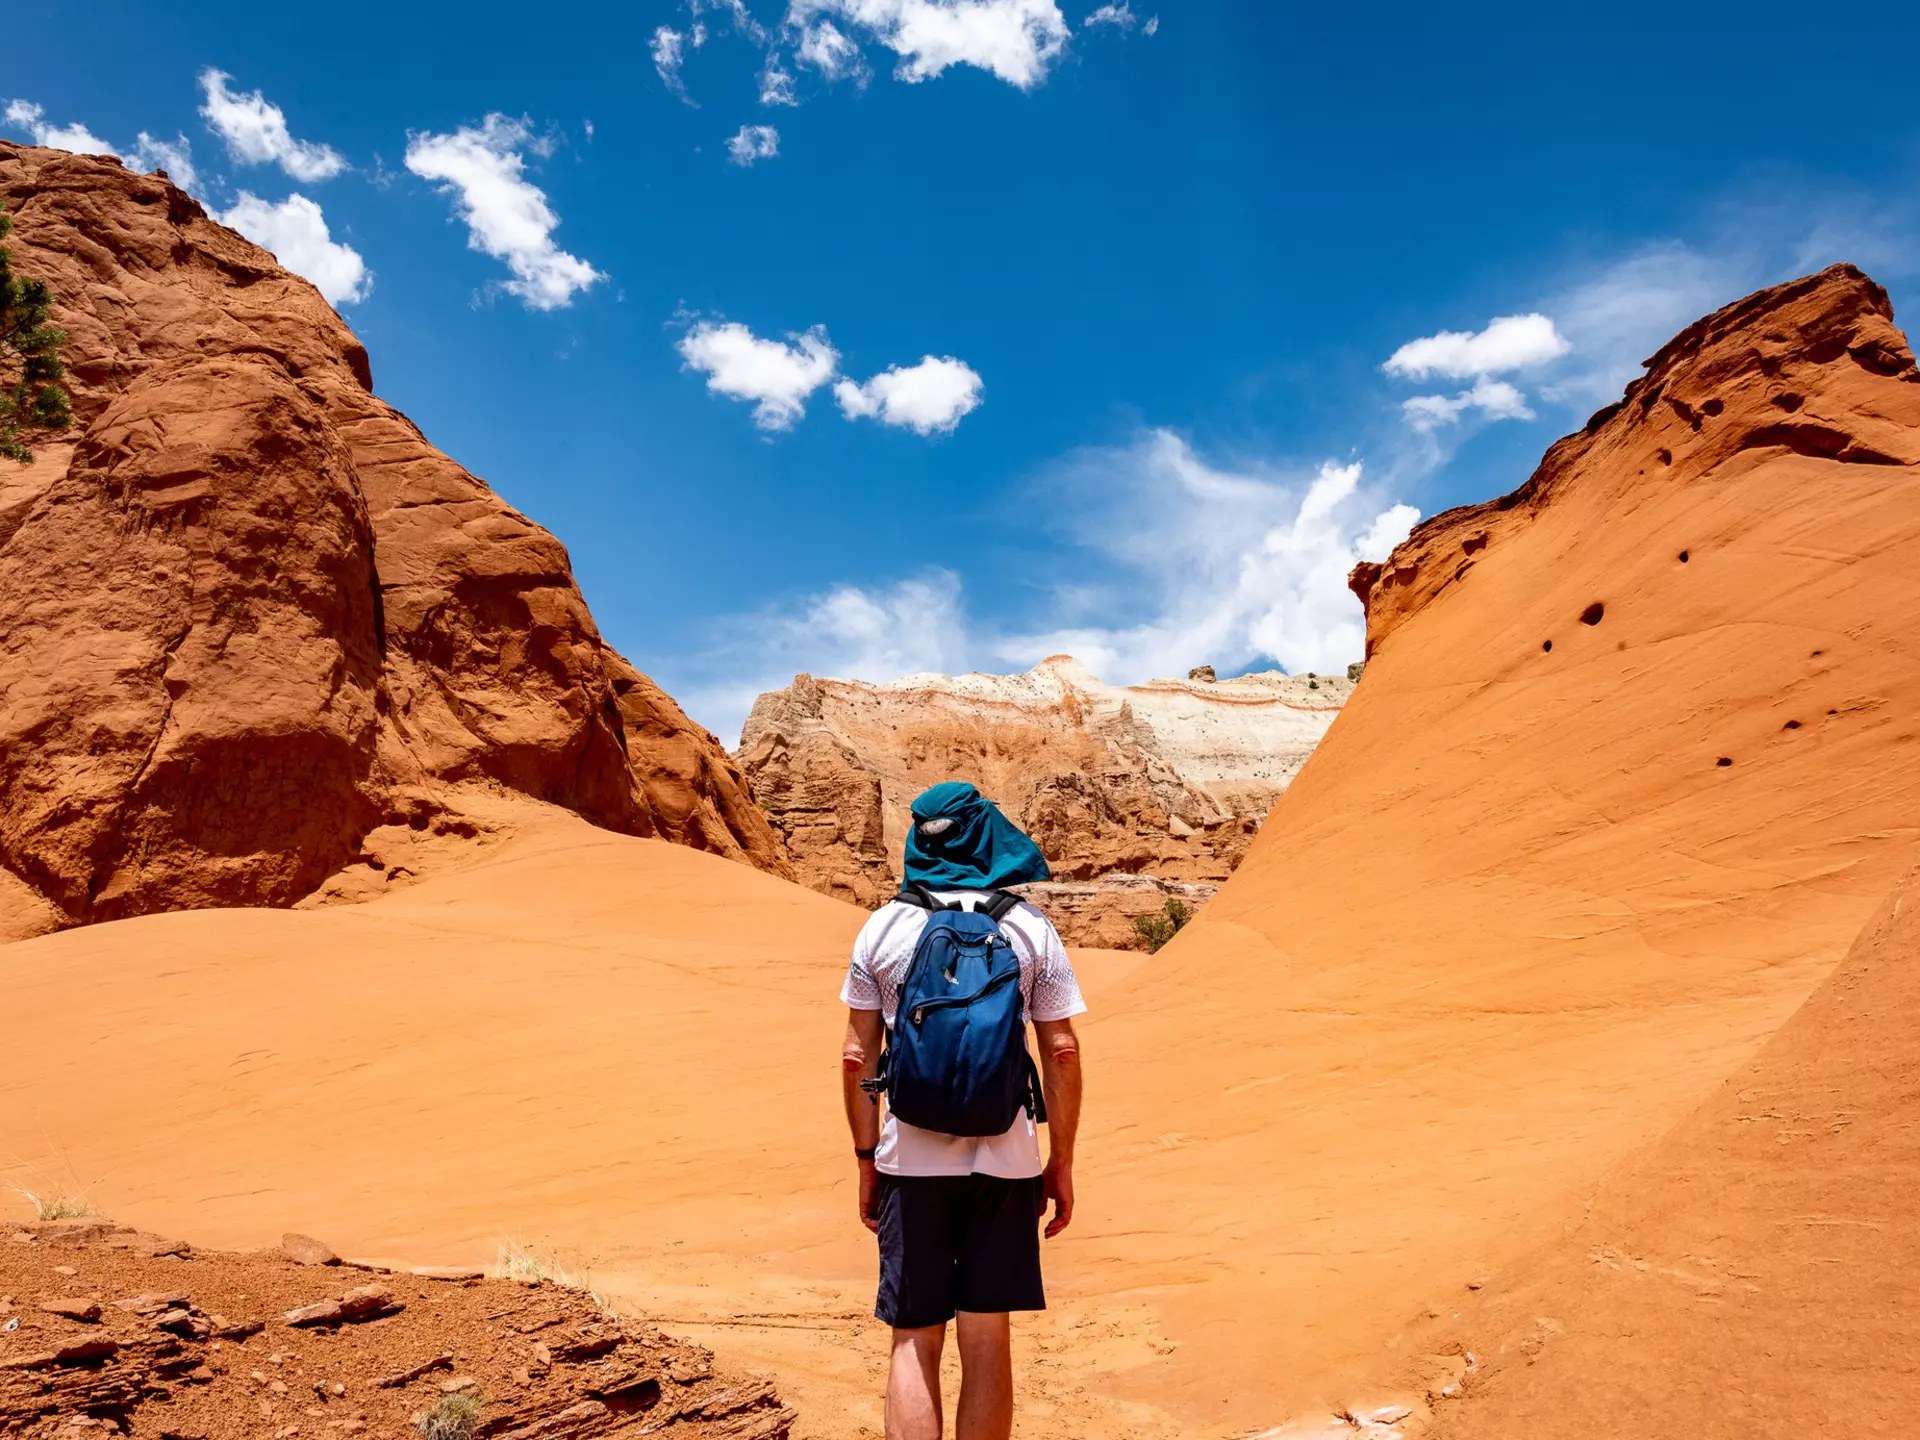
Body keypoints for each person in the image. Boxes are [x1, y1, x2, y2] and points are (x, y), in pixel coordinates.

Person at [840, 782, 1086, 1440]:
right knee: (985, 1341)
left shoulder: (883, 927)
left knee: (914, 1340)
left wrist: (868, 1161)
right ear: (988, 834)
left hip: (907, 1162)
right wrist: (1057, 1162)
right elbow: (1060, 1051)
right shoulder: (1028, 926)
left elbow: (854, 1057)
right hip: (1006, 1167)